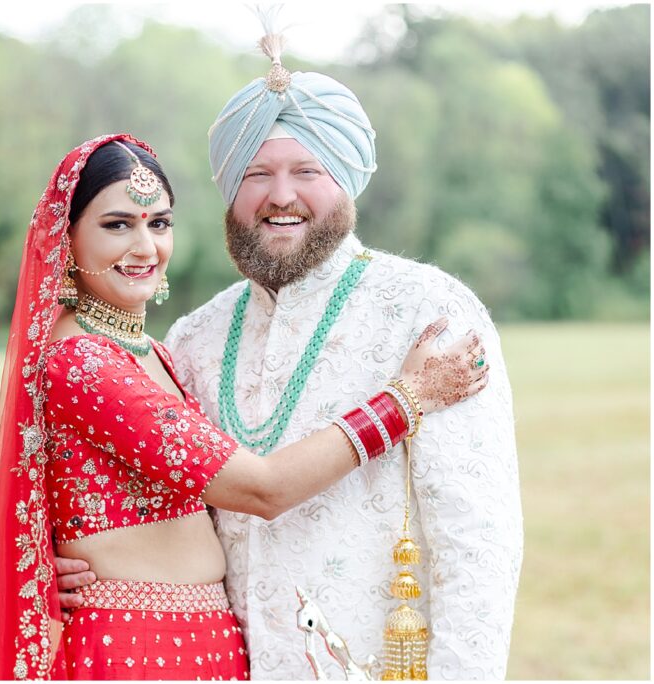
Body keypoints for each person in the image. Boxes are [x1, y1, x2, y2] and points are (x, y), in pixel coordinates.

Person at [56, 31, 524, 682]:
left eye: (307, 170)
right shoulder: (195, 339)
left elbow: (478, 547)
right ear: (228, 189)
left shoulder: (428, 315)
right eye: (256, 173)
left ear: (347, 178)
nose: (281, 196)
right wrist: (57, 564)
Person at [0, 133, 489, 681]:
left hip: (204, 643)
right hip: (133, 646)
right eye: (118, 225)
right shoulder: (82, 361)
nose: (145, 248)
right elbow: (262, 487)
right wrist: (406, 400)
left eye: (158, 223)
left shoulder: (154, 351)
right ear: (65, 239)